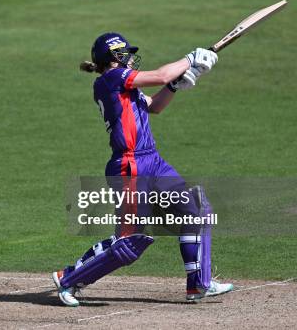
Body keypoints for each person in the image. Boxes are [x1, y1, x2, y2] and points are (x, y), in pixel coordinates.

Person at [52, 32, 233, 306]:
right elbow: (160, 74)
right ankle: (68, 278)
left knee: (195, 210)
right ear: (113, 58)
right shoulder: (111, 79)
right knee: (129, 242)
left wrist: (175, 86)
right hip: (130, 166)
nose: (129, 58)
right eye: (124, 53)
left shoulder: (125, 86)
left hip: (152, 161)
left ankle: (199, 284)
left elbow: (154, 106)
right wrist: (190, 58)